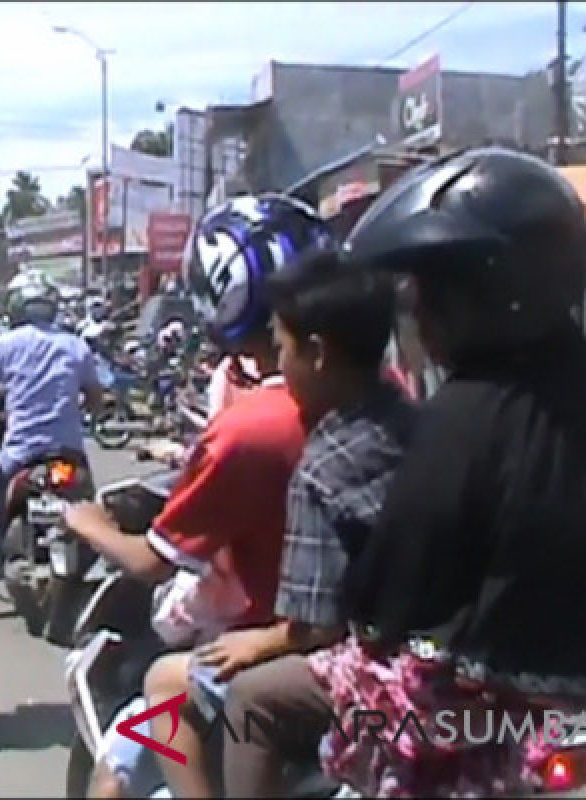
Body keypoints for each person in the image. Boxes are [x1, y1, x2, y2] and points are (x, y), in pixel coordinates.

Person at [301, 147, 586, 797]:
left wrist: (364, 614)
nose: (421, 323)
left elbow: (389, 601)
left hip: (486, 722)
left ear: (485, 295)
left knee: (254, 704)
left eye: (433, 299)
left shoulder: (465, 416)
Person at [61, 194, 324, 799]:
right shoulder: (382, 392)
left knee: (118, 768)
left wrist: (90, 522)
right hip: (344, 642)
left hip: (264, 642)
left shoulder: (253, 424)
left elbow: (156, 560)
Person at [158, 246, 417, 798]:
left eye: (280, 347)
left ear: (317, 353)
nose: (275, 363)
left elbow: (311, 629)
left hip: (373, 666)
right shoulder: (415, 421)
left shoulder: (321, 467)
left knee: (235, 695)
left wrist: (257, 645)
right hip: (430, 648)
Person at [0, 283, 104, 621]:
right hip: (68, 452)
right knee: (94, 510)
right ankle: (101, 582)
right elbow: (96, 397)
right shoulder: (76, 345)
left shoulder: (6, 343)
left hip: (21, 452)